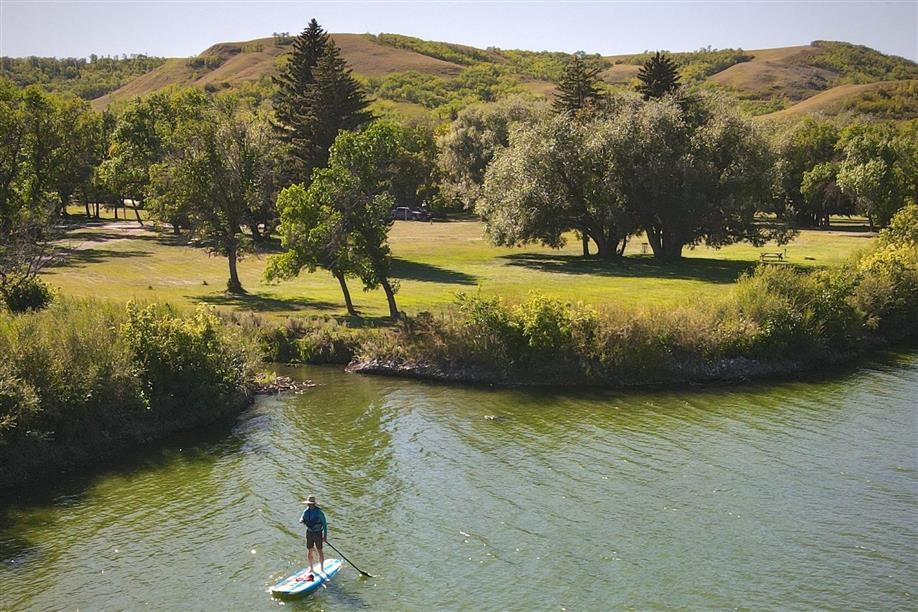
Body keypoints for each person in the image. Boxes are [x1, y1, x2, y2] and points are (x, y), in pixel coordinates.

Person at [299, 495, 328, 574]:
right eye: (308, 504)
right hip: (309, 533)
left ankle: (322, 569)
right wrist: (302, 520)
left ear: (314, 504)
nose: (309, 505)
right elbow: (301, 518)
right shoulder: (306, 511)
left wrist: (325, 536)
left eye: (310, 504)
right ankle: (311, 568)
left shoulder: (319, 512)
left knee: (319, 550)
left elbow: (325, 525)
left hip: (318, 533)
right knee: (309, 549)